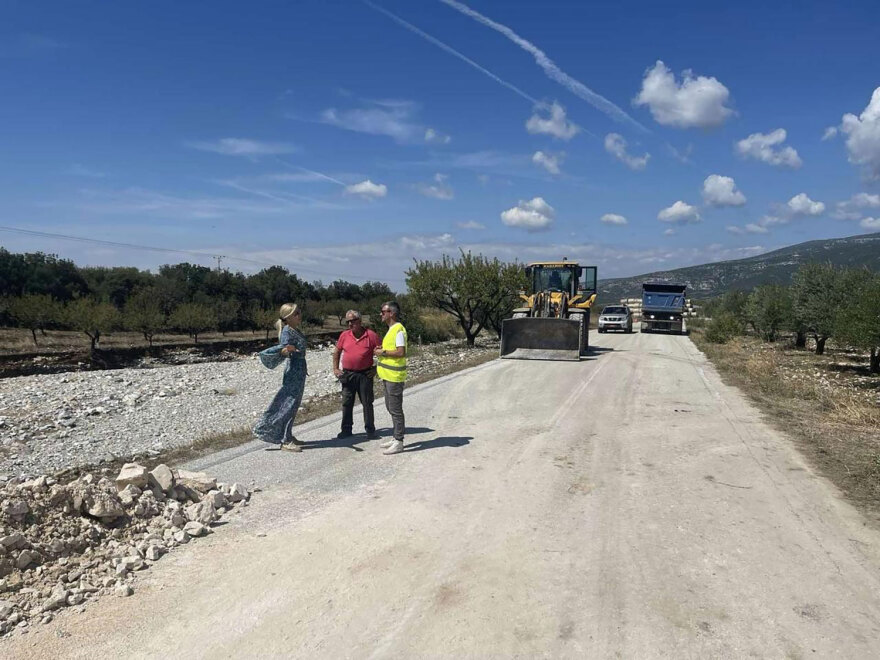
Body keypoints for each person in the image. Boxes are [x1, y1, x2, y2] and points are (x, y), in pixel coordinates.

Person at [253, 303, 307, 452]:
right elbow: (283, 350)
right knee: (287, 404)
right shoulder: (287, 332)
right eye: (296, 314)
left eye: (299, 312)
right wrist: (287, 351)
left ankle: (287, 434)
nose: (299, 315)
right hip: (293, 371)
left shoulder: (295, 330)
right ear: (288, 318)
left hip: (300, 370)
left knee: (293, 404)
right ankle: (284, 439)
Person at [332, 309, 380, 440]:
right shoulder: (344, 335)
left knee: (367, 402)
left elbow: (382, 353)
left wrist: (377, 369)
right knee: (347, 402)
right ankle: (346, 430)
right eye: (348, 322)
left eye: (352, 321)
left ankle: (370, 430)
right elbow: (337, 352)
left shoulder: (371, 335)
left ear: (360, 321)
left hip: (365, 374)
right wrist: (336, 369)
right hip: (348, 374)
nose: (350, 324)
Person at [374, 301, 407, 455]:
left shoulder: (398, 330)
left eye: (383, 311)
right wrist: (383, 350)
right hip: (387, 376)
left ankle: (399, 441)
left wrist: (384, 353)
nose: (381, 314)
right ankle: (395, 437)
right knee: (390, 407)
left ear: (391, 313)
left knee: (395, 409)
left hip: (395, 377)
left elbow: (401, 352)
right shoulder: (391, 329)